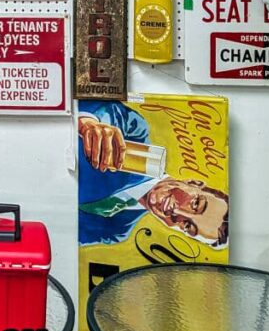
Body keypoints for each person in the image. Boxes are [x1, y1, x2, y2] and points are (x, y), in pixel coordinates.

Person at [78, 101, 229, 248]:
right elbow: (108, 113)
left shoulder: (117, 230)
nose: (176, 212)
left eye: (187, 225)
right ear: (194, 183)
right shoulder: (136, 134)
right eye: (195, 204)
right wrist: (88, 123)